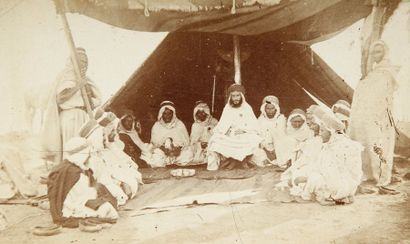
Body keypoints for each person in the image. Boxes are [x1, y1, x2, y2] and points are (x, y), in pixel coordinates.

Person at [348, 40, 399, 189]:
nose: (376, 55)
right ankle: (369, 174)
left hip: (380, 115)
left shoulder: (388, 71)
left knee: (380, 144)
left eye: (379, 52)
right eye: (373, 52)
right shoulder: (371, 72)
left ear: (385, 52)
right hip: (366, 115)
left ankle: (382, 177)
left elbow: (386, 95)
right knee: (366, 142)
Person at [41, 48, 101, 163]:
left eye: (86, 61)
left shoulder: (85, 79)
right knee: (72, 149)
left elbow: (92, 102)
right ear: (73, 61)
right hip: (71, 117)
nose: (85, 64)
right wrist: (78, 85)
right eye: (81, 61)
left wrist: (86, 89)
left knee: (84, 150)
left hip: (83, 116)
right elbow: (60, 98)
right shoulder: (67, 75)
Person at [47, 137, 118, 228]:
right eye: (88, 154)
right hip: (71, 207)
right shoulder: (73, 172)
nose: (89, 156)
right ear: (82, 154)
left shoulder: (67, 166)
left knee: (105, 196)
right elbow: (83, 197)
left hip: (71, 203)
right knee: (109, 210)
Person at [300, 109, 363, 205]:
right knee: (311, 176)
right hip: (346, 184)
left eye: (322, 131)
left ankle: (329, 196)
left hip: (343, 183)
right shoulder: (331, 144)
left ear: (332, 132)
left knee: (314, 178)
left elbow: (340, 171)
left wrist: (309, 179)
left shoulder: (341, 146)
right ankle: (340, 195)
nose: (320, 134)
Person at [78, 111, 143, 206]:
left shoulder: (103, 150)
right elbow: (101, 177)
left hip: (110, 174)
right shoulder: (91, 157)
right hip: (102, 181)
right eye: (102, 136)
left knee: (131, 182)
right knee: (123, 191)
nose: (104, 137)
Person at [207, 84, 262, 170]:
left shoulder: (247, 108)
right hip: (230, 132)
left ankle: (242, 161)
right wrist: (226, 130)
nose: (235, 98)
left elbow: (253, 124)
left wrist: (244, 130)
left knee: (252, 139)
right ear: (230, 97)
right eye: (233, 96)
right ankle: (233, 161)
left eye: (237, 96)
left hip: (245, 132)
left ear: (241, 96)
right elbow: (222, 123)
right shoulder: (227, 108)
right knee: (216, 139)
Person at [276, 105, 323, 196]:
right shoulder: (284, 130)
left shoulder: (310, 132)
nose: (297, 124)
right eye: (295, 122)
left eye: (300, 122)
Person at [148, 101, 193, 167]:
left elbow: (186, 142)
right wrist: (164, 150)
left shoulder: (179, 124)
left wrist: (178, 150)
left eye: (169, 114)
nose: (167, 116)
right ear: (161, 114)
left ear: (173, 114)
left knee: (188, 153)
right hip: (163, 152)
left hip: (177, 153)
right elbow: (154, 143)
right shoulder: (157, 126)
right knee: (156, 157)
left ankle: (175, 163)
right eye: (165, 114)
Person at [252, 96, 291, 168]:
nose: (270, 111)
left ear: (276, 108)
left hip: (278, 147)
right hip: (264, 148)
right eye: (268, 108)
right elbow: (258, 137)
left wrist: (274, 150)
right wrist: (266, 150)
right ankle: (266, 159)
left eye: (272, 108)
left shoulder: (281, 119)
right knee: (255, 150)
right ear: (264, 109)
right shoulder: (260, 120)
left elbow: (282, 136)